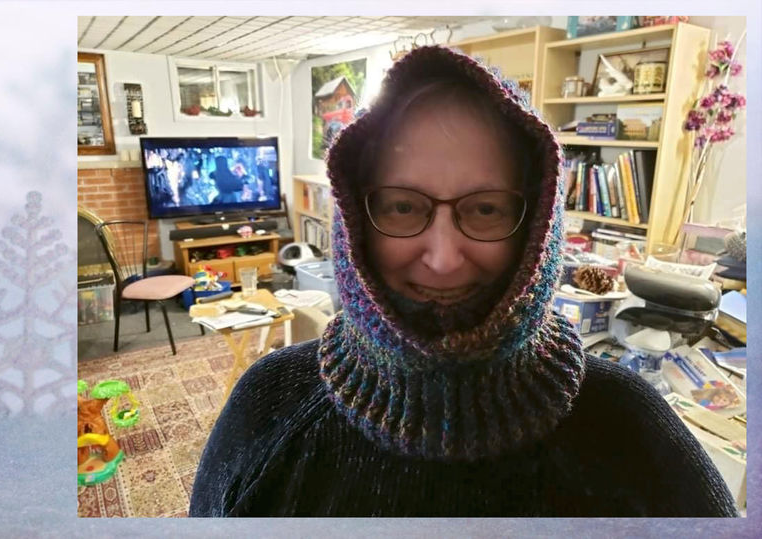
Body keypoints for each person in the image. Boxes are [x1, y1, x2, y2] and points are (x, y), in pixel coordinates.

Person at [189, 46, 738, 517]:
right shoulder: (268, 407)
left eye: (487, 209)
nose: (444, 259)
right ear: (354, 219)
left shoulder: (631, 430)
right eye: (403, 206)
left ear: (539, 224)